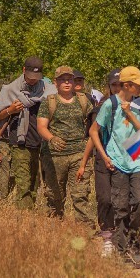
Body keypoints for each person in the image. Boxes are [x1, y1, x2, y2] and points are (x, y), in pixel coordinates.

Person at [94, 66, 140, 257]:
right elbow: (93, 131)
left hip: (137, 160)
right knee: (121, 207)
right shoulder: (110, 104)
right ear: (127, 85)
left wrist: (130, 114)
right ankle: (121, 249)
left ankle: (133, 241)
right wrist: (105, 157)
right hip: (117, 161)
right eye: (138, 84)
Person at [0, 57, 56, 210]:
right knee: (23, 183)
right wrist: (10, 110)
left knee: (35, 182)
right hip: (20, 142)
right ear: (23, 70)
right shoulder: (11, 89)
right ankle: (24, 215)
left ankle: (30, 212)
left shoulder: (49, 90)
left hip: (41, 143)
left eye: (37, 78)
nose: (33, 81)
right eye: (30, 78)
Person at [39, 66, 93, 220]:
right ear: (56, 83)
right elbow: (41, 126)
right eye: (63, 79)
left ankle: (86, 229)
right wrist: (51, 138)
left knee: (80, 195)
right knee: (55, 195)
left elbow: (93, 124)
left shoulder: (83, 100)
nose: (67, 82)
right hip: (55, 157)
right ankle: (55, 228)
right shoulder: (49, 102)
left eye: (69, 79)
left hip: (79, 155)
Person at [82, 70, 123, 251]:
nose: (117, 88)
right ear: (109, 86)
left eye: (120, 84)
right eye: (114, 84)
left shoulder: (131, 106)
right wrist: (83, 163)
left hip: (123, 160)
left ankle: (122, 235)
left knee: (121, 200)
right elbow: (92, 135)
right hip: (102, 159)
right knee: (105, 198)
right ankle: (107, 236)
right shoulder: (100, 108)